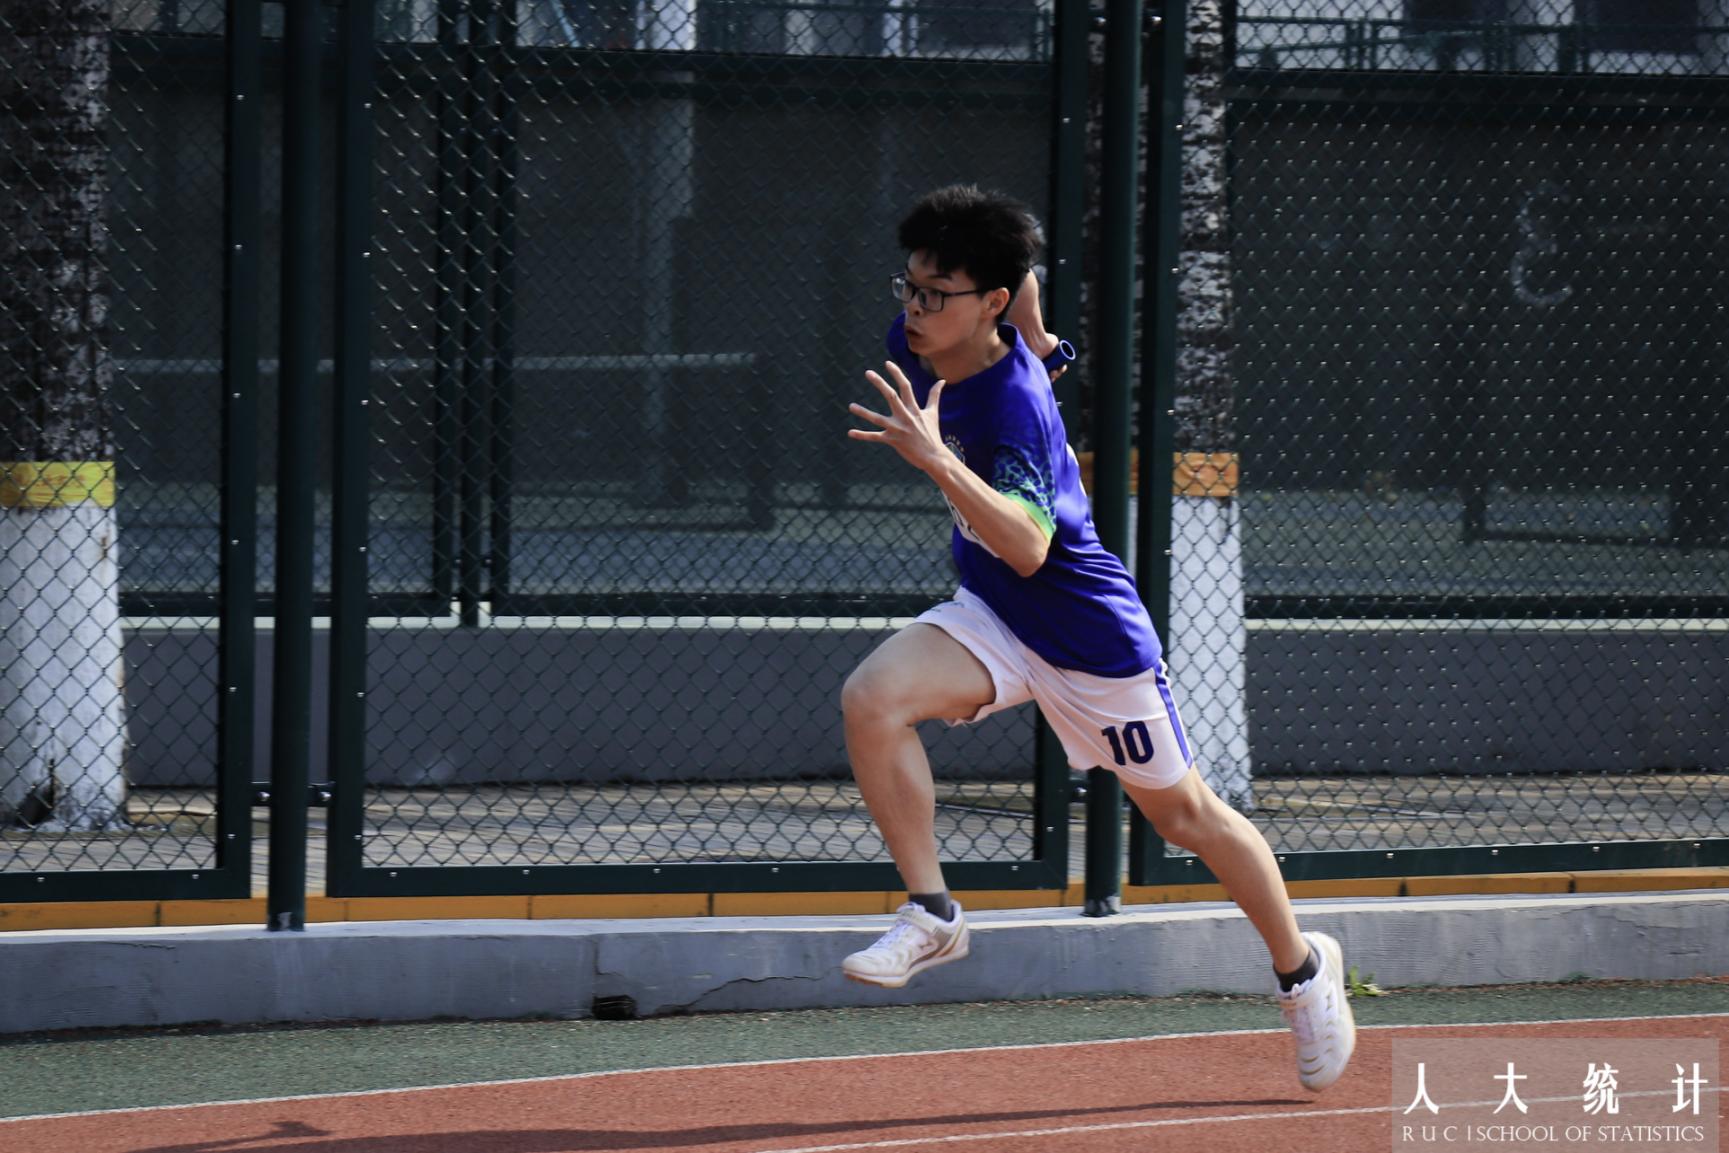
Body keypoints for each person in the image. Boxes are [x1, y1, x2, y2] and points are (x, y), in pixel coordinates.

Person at [840, 184, 1356, 1091]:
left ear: (987, 302)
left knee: (1185, 818)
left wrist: (937, 457)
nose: (913, 309)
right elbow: (1023, 273)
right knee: (871, 699)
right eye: (909, 286)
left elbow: (1029, 546)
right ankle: (933, 914)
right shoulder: (934, 338)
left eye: (935, 294)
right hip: (995, 616)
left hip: (1086, 638)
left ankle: (1303, 971)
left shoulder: (1012, 409)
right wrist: (1037, 332)